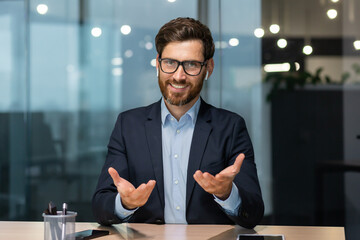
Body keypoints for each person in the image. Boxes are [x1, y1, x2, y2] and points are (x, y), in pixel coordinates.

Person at [92, 17, 264, 228]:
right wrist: (125, 204)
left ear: (208, 67)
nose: (179, 76)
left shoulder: (231, 127)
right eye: (170, 63)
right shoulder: (128, 125)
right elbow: (101, 207)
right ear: (158, 64)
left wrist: (227, 194)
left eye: (191, 64)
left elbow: (254, 213)